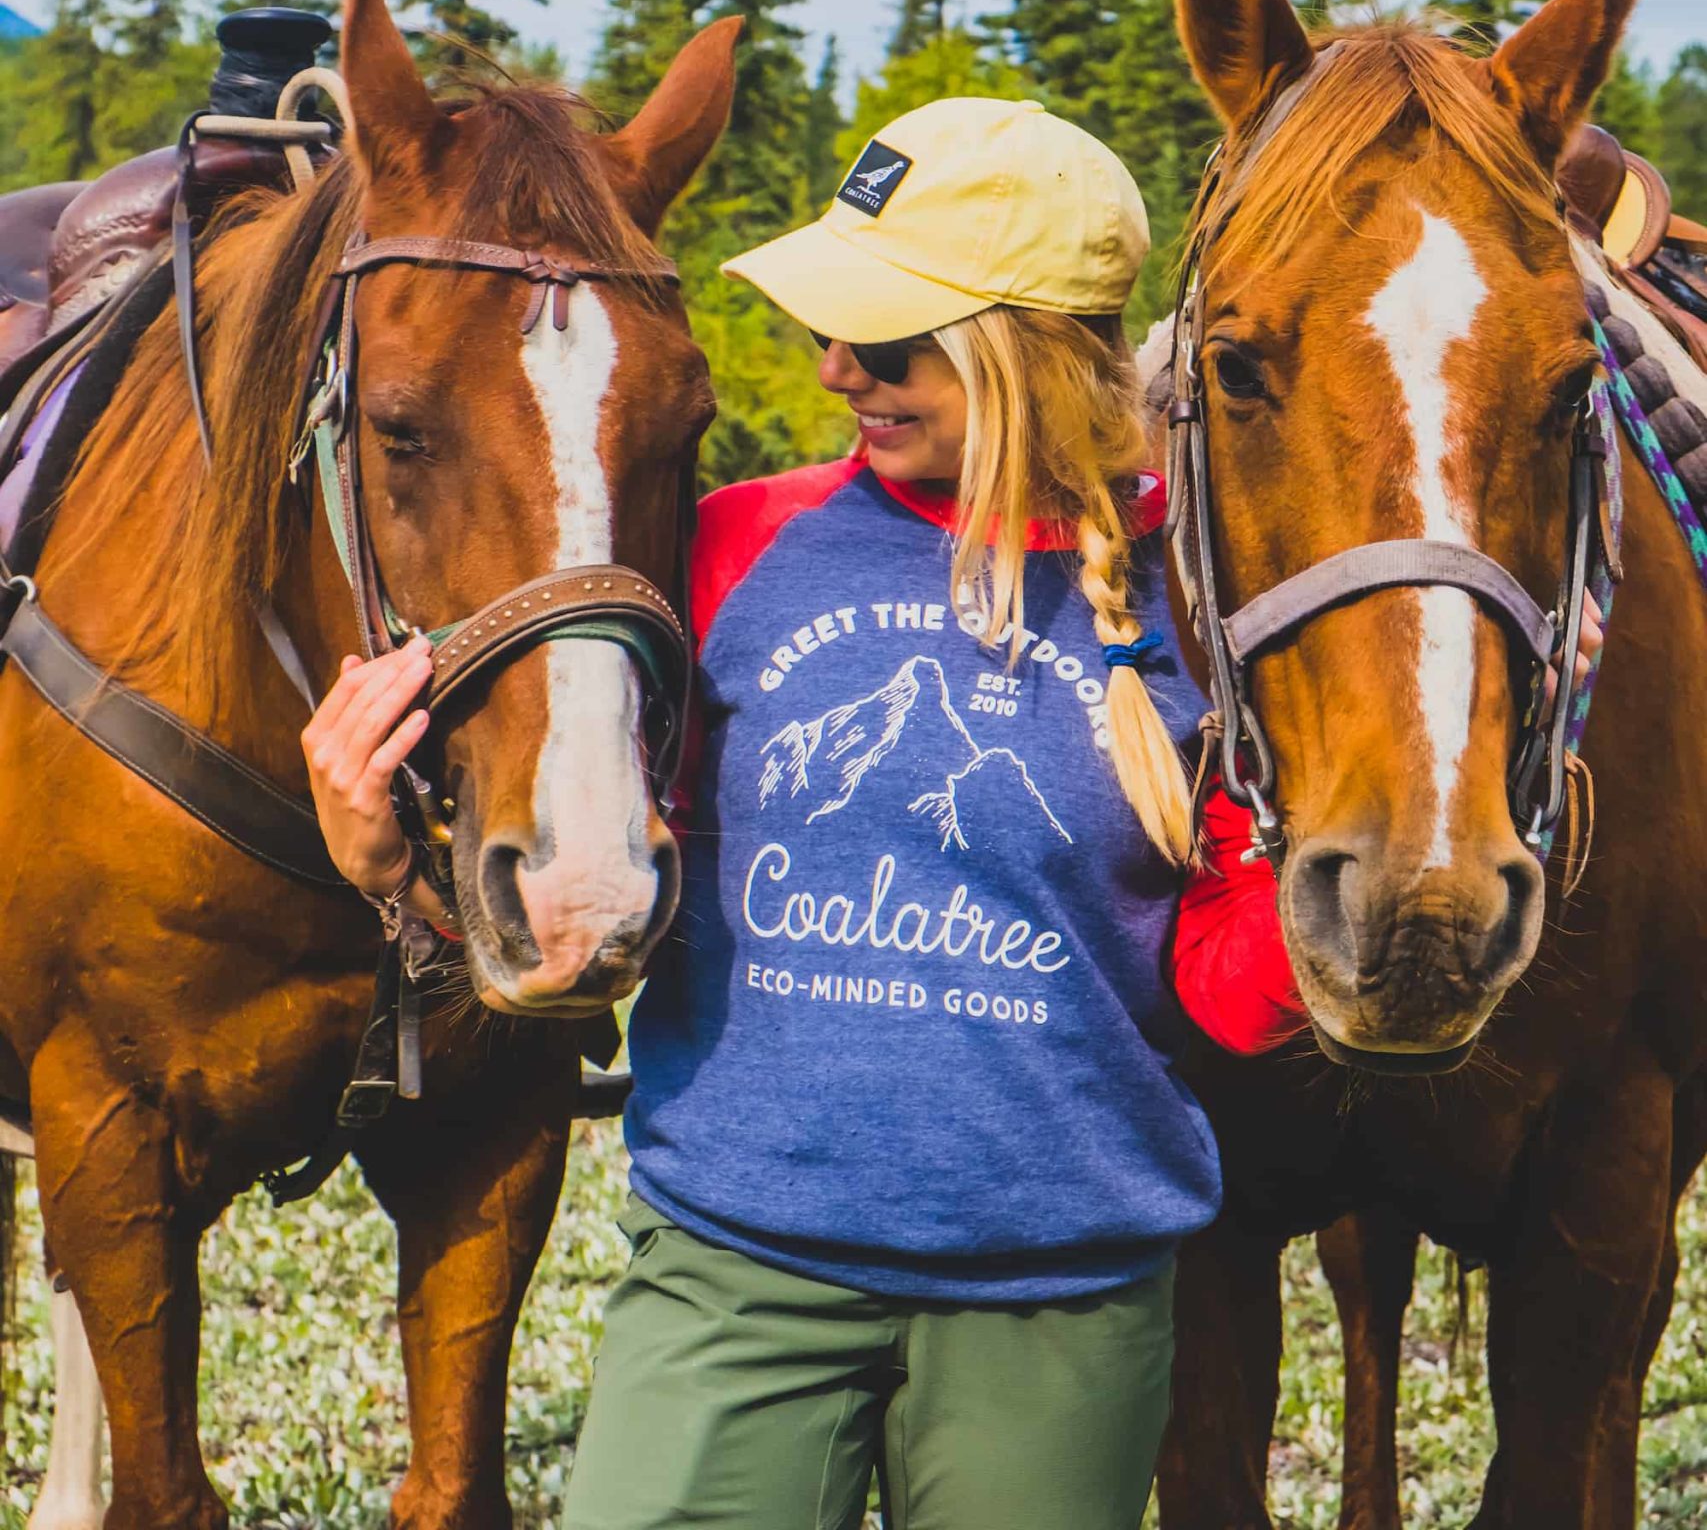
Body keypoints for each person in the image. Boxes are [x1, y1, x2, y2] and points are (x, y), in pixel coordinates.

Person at [303, 95, 1597, 1530]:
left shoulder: (1194, 602)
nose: (838, 364)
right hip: (736, 1279)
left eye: (892, 334)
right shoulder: (737, 547)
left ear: (1028, 345)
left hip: (1060, 1311)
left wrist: (1404, 858)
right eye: (836, 326)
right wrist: (390, 868)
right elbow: (607, 895)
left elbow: (1222, 993)